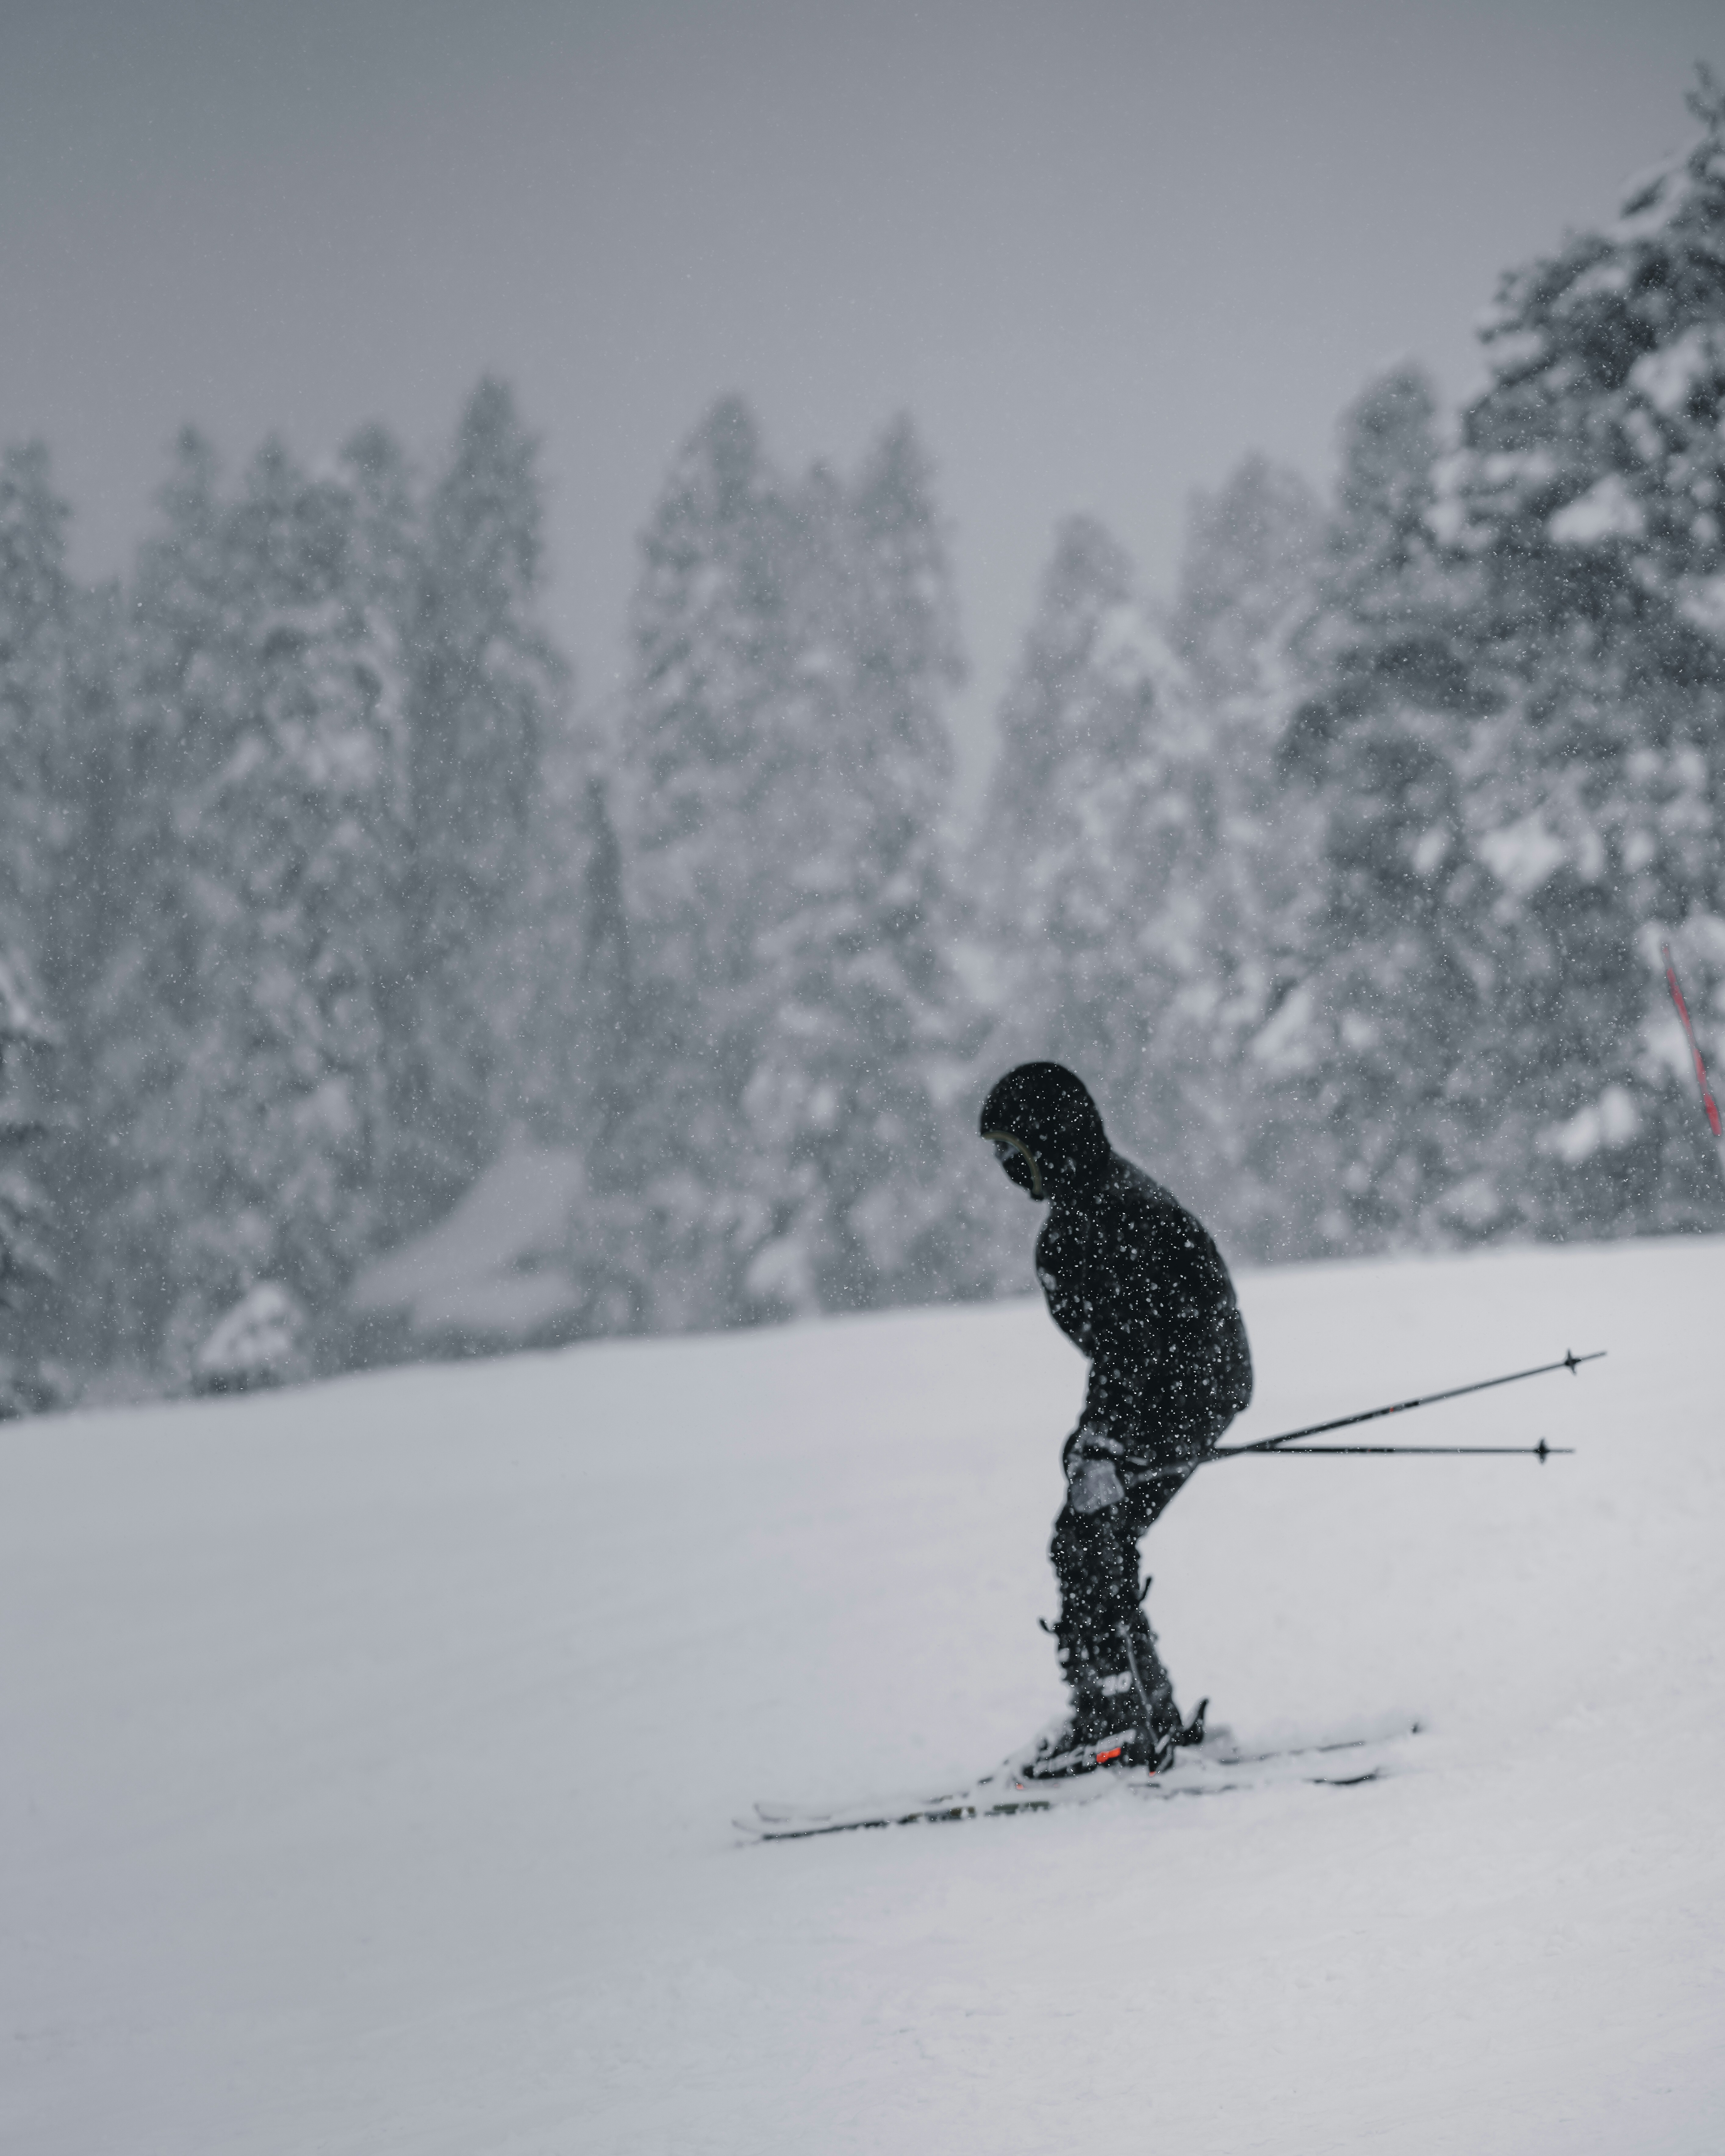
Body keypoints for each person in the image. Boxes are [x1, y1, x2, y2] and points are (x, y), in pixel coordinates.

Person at [979, 1061, 1253, 1778]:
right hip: (1186, 1384)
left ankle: (1119, 1717)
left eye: (1015, 1151)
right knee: (1094, 1534)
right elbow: (1123, 1349)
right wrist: (1094, 1443)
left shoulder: (1105, 1218)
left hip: (1185, 1385)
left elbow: (1134, 1344)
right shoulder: (1087, 1209)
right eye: (999, 1157)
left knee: (1087, 1536)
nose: (1008, 1169)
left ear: (1051, 1138)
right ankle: (1137, 1708)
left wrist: (1103, 1445)